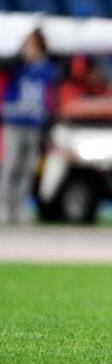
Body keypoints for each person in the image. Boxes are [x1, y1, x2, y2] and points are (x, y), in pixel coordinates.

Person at [0, 30, 53, 224]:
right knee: (11, 164)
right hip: (14, 120)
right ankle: (4, 205)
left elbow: (48, 91)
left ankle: (21, 204)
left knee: (29, 167)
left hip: (34, 122)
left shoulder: (44, 66)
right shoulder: (16, 63)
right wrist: (22, 57)